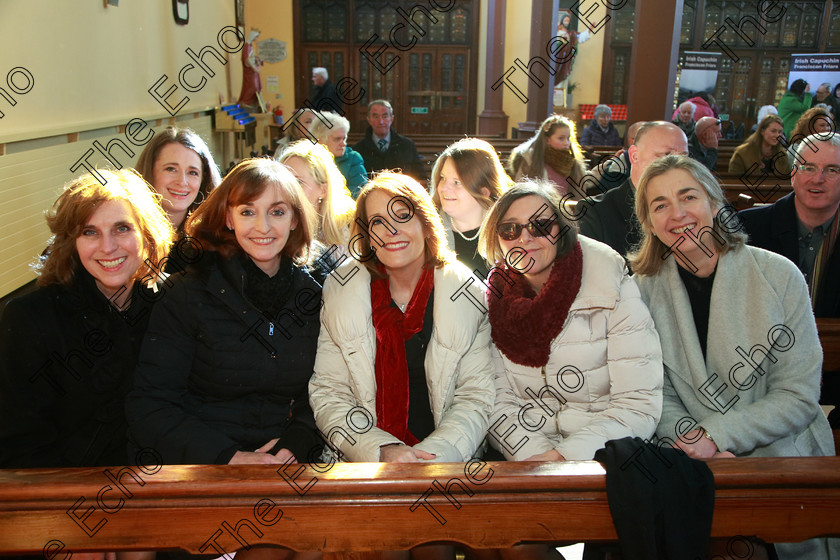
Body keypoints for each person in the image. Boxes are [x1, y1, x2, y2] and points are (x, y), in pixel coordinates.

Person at [631, 155, 837, 560]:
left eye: (688, 196)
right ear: (650, 223)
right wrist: (696, 443)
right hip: (687, 459)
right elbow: (654, 390)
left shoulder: (779, 276)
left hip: (778, 454)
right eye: (659, 205)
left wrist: (717, 437)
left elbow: (797, 395)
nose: (677, 214)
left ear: (714, 204)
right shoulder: (641, 290)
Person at [127, 158, 322, 469]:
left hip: (284, 463)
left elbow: (322, 393)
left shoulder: (312, 297)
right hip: (203, 466)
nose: (263, 227)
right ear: (229, 219)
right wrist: (228, 456)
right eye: (247, 211)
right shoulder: (187, 293)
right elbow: (152, 405)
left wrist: (298, 438)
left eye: (277, 212)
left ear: (295, 220)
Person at [309, 172, 495, 465]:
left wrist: (432, 457)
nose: (390, 230)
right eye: (377, 223)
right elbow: (329, 394)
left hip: (447, 462)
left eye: (402, 216)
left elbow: (475, 397)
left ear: (425, 223)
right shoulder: (340, 290)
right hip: (362, 463)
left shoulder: (468, 294)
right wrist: (379, 450)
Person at [0, 169, 173, 471]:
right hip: (68, 496)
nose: (108, 247)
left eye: (122, 229)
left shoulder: (174, 306)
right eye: (89, 232)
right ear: (71, 243)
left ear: (146, 236)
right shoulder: (31, 318)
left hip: (167, 486)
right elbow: (20, 443)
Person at [481, 180, 663, 461]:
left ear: (561, 230)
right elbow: (497, 405)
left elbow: (638, 404)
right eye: (509, 229)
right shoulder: (494, 300)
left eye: (540, 226)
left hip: (606, 461)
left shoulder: (610, 285)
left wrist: (563, 457)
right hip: (528, 463)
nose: (524, 239)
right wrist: (537, 460)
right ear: (497, 238)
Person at [578, 121, 688, 258]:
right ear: (634, 155)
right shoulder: (594, 212)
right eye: (666, 155)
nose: (677, 166)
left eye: (683, 157)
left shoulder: (692, 209)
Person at [430, 138, 512, 276]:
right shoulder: (428, 230)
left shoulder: (509, 230)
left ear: (484, 191)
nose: (444, 188)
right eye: (443, 178)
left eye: (457, 182)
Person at [278, 139, 355, 273]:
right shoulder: (273, 231)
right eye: (283, 180)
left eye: (298, 181)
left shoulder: (347, 235)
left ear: (323, 190)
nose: (288, 189)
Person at [135, 126, 222, 233]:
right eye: (171, 169)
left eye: (192, 172)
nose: (182, 182)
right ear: (149, 171)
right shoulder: (130, 230)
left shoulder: (216, 236)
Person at [508, 114, 586, 197]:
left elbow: (579, 192)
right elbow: (521, 189)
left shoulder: (573, 161)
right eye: (561, 138)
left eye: (568, 138)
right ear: (547, 140)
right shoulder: (531, 159)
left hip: (567, 207)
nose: (566, 143)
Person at [353, 99, 427, 182]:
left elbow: (421, 177)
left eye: (385, 116)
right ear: (369, 119)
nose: (380, 122)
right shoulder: (358, 149)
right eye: (376, 116)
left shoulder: (407, 145)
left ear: (391, 119)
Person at [309, 111, 368, 197]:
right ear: (320, 141)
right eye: (337, 139)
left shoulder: (353, 159)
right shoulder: (309, 160)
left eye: (344, 139)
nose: (343, 144)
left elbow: (359, 192)